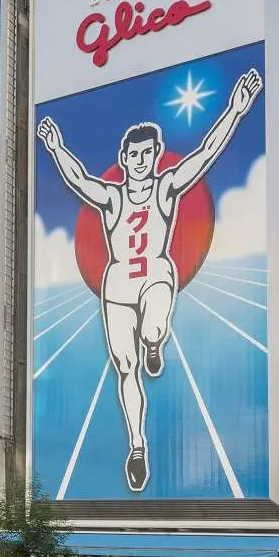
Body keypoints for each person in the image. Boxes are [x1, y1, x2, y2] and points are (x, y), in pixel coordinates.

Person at [35, 67, 262, 492]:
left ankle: (155, 342)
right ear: (124, 159)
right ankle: (137, 446)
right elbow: (77, 178)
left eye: (147, 154)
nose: (141, 162)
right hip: (118, 284)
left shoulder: (166, 187)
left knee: (154, 326)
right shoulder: (112, 196)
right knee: (125, 367)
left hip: (156, 271)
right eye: (134, 155)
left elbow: (205, 154)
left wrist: (235, 109)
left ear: (156, 155)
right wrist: (54, 145)